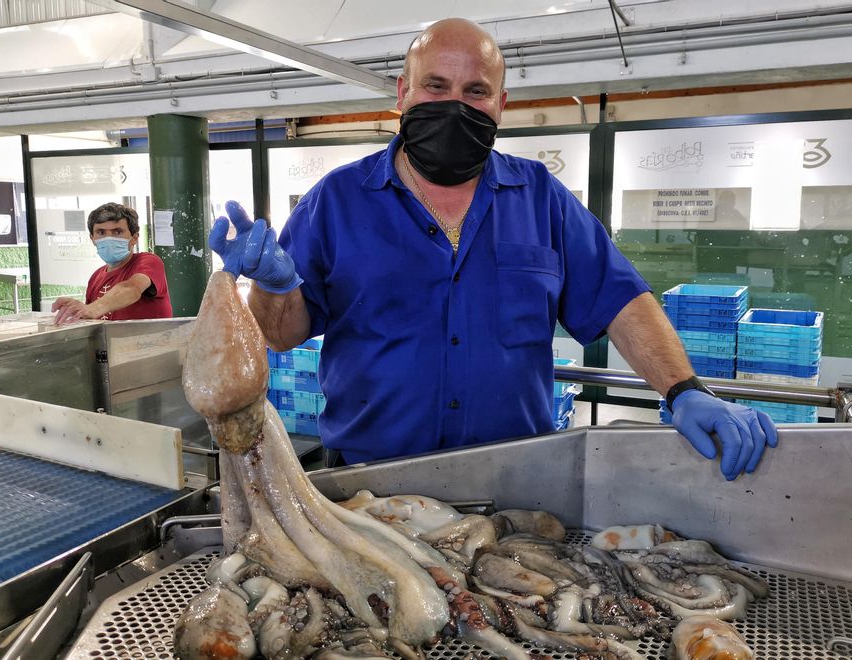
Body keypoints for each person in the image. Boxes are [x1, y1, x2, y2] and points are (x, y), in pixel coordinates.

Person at [209, 18, 777, 479]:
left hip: (517, 484)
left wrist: (684, 390)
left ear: (500, 104)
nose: (455, 103)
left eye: (475, 91)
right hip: (369, 481)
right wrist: (274, 284)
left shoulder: (541, 198)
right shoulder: (337, 200)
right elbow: (281, 333)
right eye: (436, 86)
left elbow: (622, 301)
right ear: (403, 93)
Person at [52, 202, 172, 325]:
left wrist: (92, 308)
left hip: (151, 343)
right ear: (92, 238)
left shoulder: (148, 261)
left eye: (117, 232)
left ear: (134, 238)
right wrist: (75, 312)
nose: (108, 238)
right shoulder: (96, 277)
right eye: (101, 232)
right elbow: (91, 319)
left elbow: (131, 289)